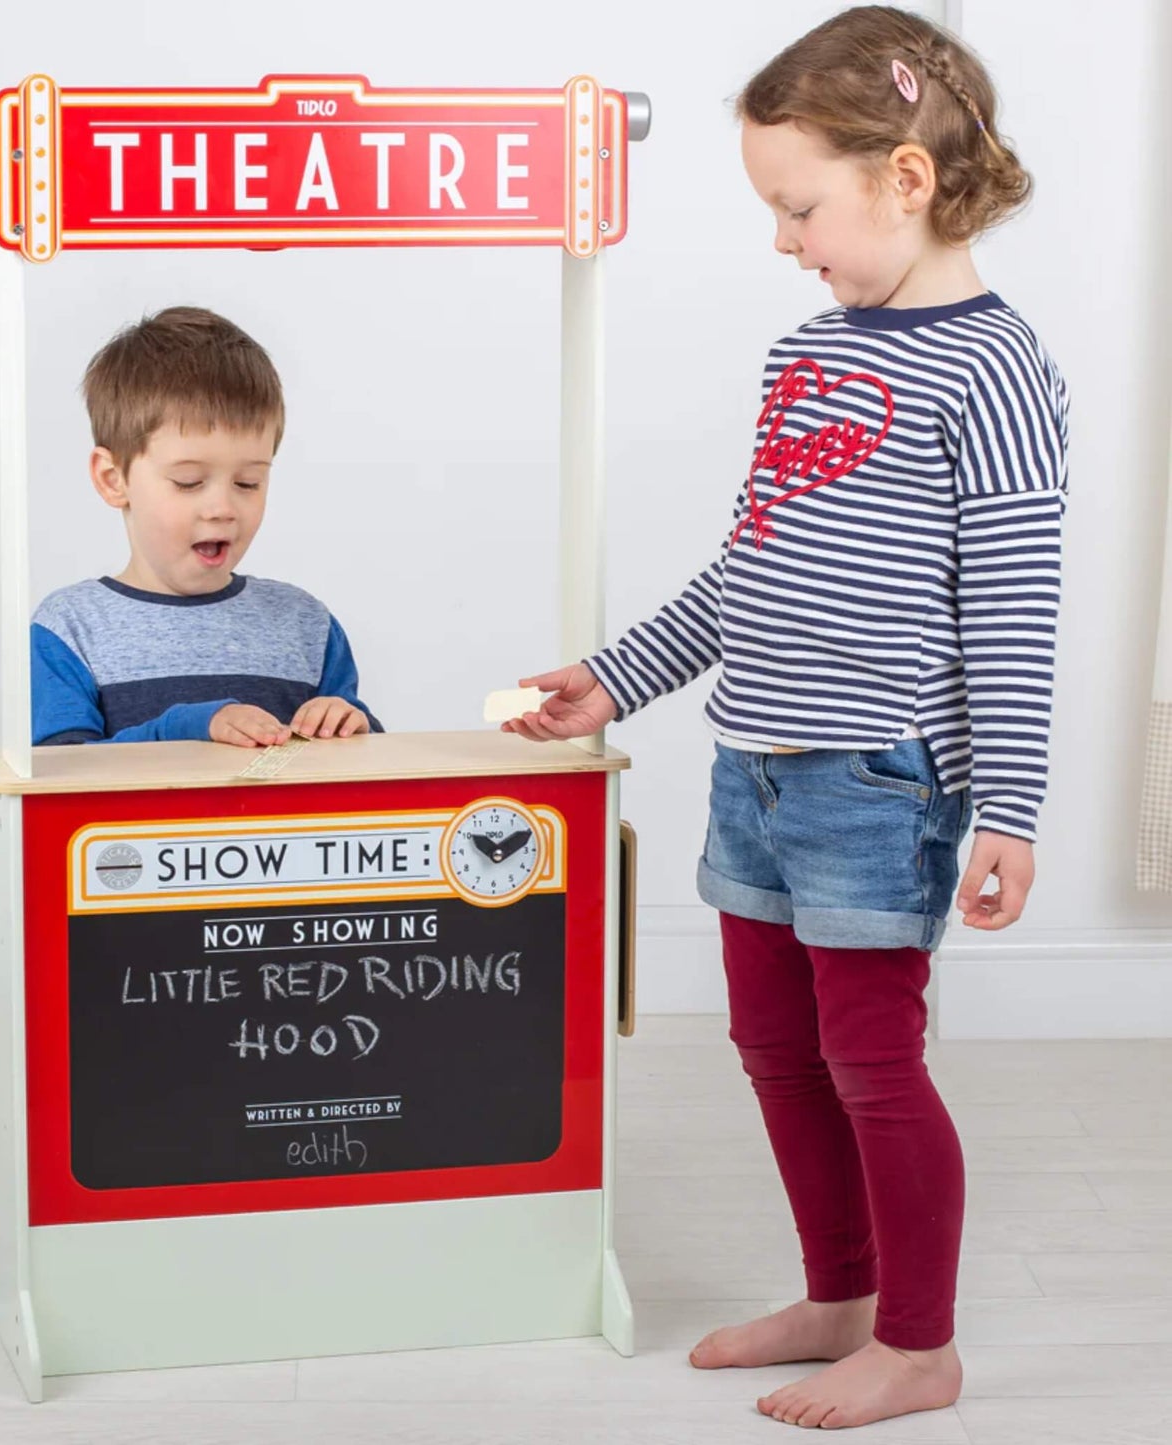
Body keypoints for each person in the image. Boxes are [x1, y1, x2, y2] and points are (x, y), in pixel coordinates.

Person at [505, 7, 1068, 1429]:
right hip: (753, 763)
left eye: (797, 206)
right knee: (771, 1046)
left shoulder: (998, 372)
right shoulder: (806, 357)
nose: (783, 239)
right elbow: (751, 571)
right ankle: (843, 1292)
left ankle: (920, 1344)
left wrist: (1009, 803)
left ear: (906, 179)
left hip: (879, 784)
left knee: (872, 1059)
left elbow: (1011, 608)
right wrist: (615, 673)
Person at [0, 305, 381, 1188]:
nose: (224, 505)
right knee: (102, 1092)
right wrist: (185, 728)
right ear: (113, 477)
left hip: (271, 937)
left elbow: (359, 785)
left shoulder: (303, 621)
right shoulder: (70, 625)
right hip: (123, 933)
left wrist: (349, 726)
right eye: (189, 481)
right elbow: (56, 775)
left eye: (249, 482)